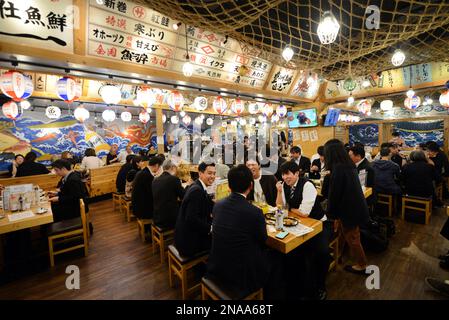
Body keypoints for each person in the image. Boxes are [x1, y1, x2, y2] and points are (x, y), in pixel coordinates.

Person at [206, 165, 284, 299]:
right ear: (250, 186)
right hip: (242, 277)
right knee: (277, 257)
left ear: (229, 186)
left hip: (216, 267)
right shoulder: (254, 212)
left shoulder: (218, 205)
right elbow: (263, 240)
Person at [275, 160, 329, 299]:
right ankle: (295, 284)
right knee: (290, 252)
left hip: (318, 224)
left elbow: (304, 212)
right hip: (297, 224)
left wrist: (289, 208)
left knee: (320, 253)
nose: (285, 177)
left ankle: (320, 286)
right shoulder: (285, 186)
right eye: (283, 174)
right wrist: (279, 191)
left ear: (297, 173)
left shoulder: (307, 185)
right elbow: (280, 206)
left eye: (288, 174)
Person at [322, 139, 369, 275]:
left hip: (350, 210)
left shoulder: (338, 169)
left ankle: (362, 265)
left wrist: (331, 215)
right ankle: (338, 255)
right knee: (344, 234)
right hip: (354, 207)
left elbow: (334, 195)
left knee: (353, 238)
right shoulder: (347, 165)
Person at [174, 162, 216, 256]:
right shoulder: (197, 191)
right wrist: (210, 228)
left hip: (185, 235)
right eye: (209, 173)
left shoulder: (197, 185)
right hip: (187, 243)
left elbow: (205, 204)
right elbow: (192, 219)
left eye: (214, 173)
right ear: (200, 173)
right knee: (220, 240)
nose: (213, 176)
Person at [152, 160, 186, 230]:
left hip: (157, 216)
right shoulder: (173, 179)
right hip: (169, 219)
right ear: (173, 168)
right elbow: (183, 196)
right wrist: (189, 186)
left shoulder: (155, 180)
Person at [131, 156, 163, 220]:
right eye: (160, 167)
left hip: (137, 206)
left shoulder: (144, 171)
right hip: (142, 210)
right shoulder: (147, 175)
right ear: (156, 165)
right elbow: (152, 193)